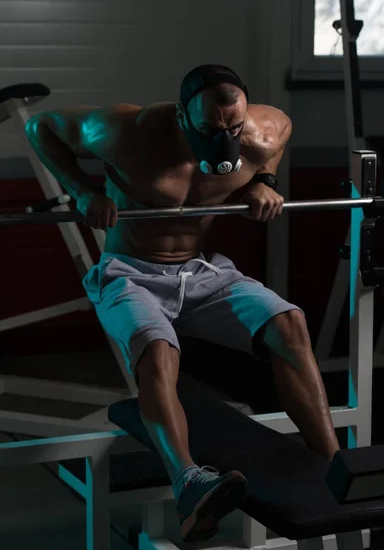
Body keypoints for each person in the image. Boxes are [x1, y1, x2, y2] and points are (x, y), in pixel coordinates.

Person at [25, 64, 340, 543]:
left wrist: (267, 182)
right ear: (181, 114)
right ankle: (190, 484)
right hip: (130, 273)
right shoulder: (126, 132)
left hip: (202, 271)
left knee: (289, 324)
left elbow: (282, 128)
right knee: (158, 349)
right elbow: (39, 126)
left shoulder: (259, 130)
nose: (225, 136)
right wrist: (83, 190)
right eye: (211, 129)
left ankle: (335, 466)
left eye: (232, 128)